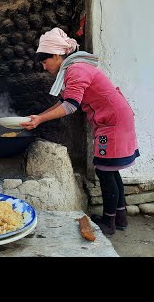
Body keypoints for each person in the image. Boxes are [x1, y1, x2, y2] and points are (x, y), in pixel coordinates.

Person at [21, 27, 140, 235]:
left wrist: (40, 119)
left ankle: (109, 223)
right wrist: (38, 118)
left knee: (105, 172)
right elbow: (63, 101)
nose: (43, 66)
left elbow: (70, 106)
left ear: (57, 55)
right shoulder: (73, 68)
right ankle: (119, 219)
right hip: (115, 119)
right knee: (111, 172)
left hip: (112, 123)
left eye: (44, 61)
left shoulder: (76, 70)